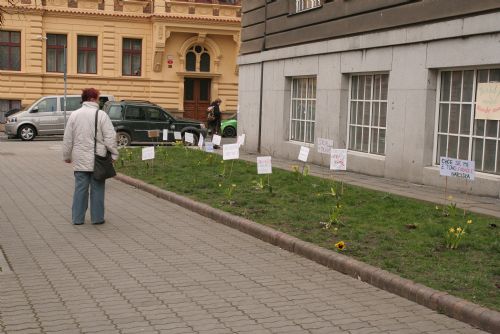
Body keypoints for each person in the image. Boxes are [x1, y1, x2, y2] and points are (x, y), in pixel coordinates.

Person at [62, 88, 118, 225]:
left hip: (80, 158)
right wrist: (114, 154)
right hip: (98, 159)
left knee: (80, 189)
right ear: (92, 99)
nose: (99, 101)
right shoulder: (101, 115)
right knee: (98, 189)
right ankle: (97, 218)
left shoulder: (74, 115)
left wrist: (67, 156)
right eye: (98, 98)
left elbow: (68, 138)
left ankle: (77, 218)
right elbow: (110, 137)